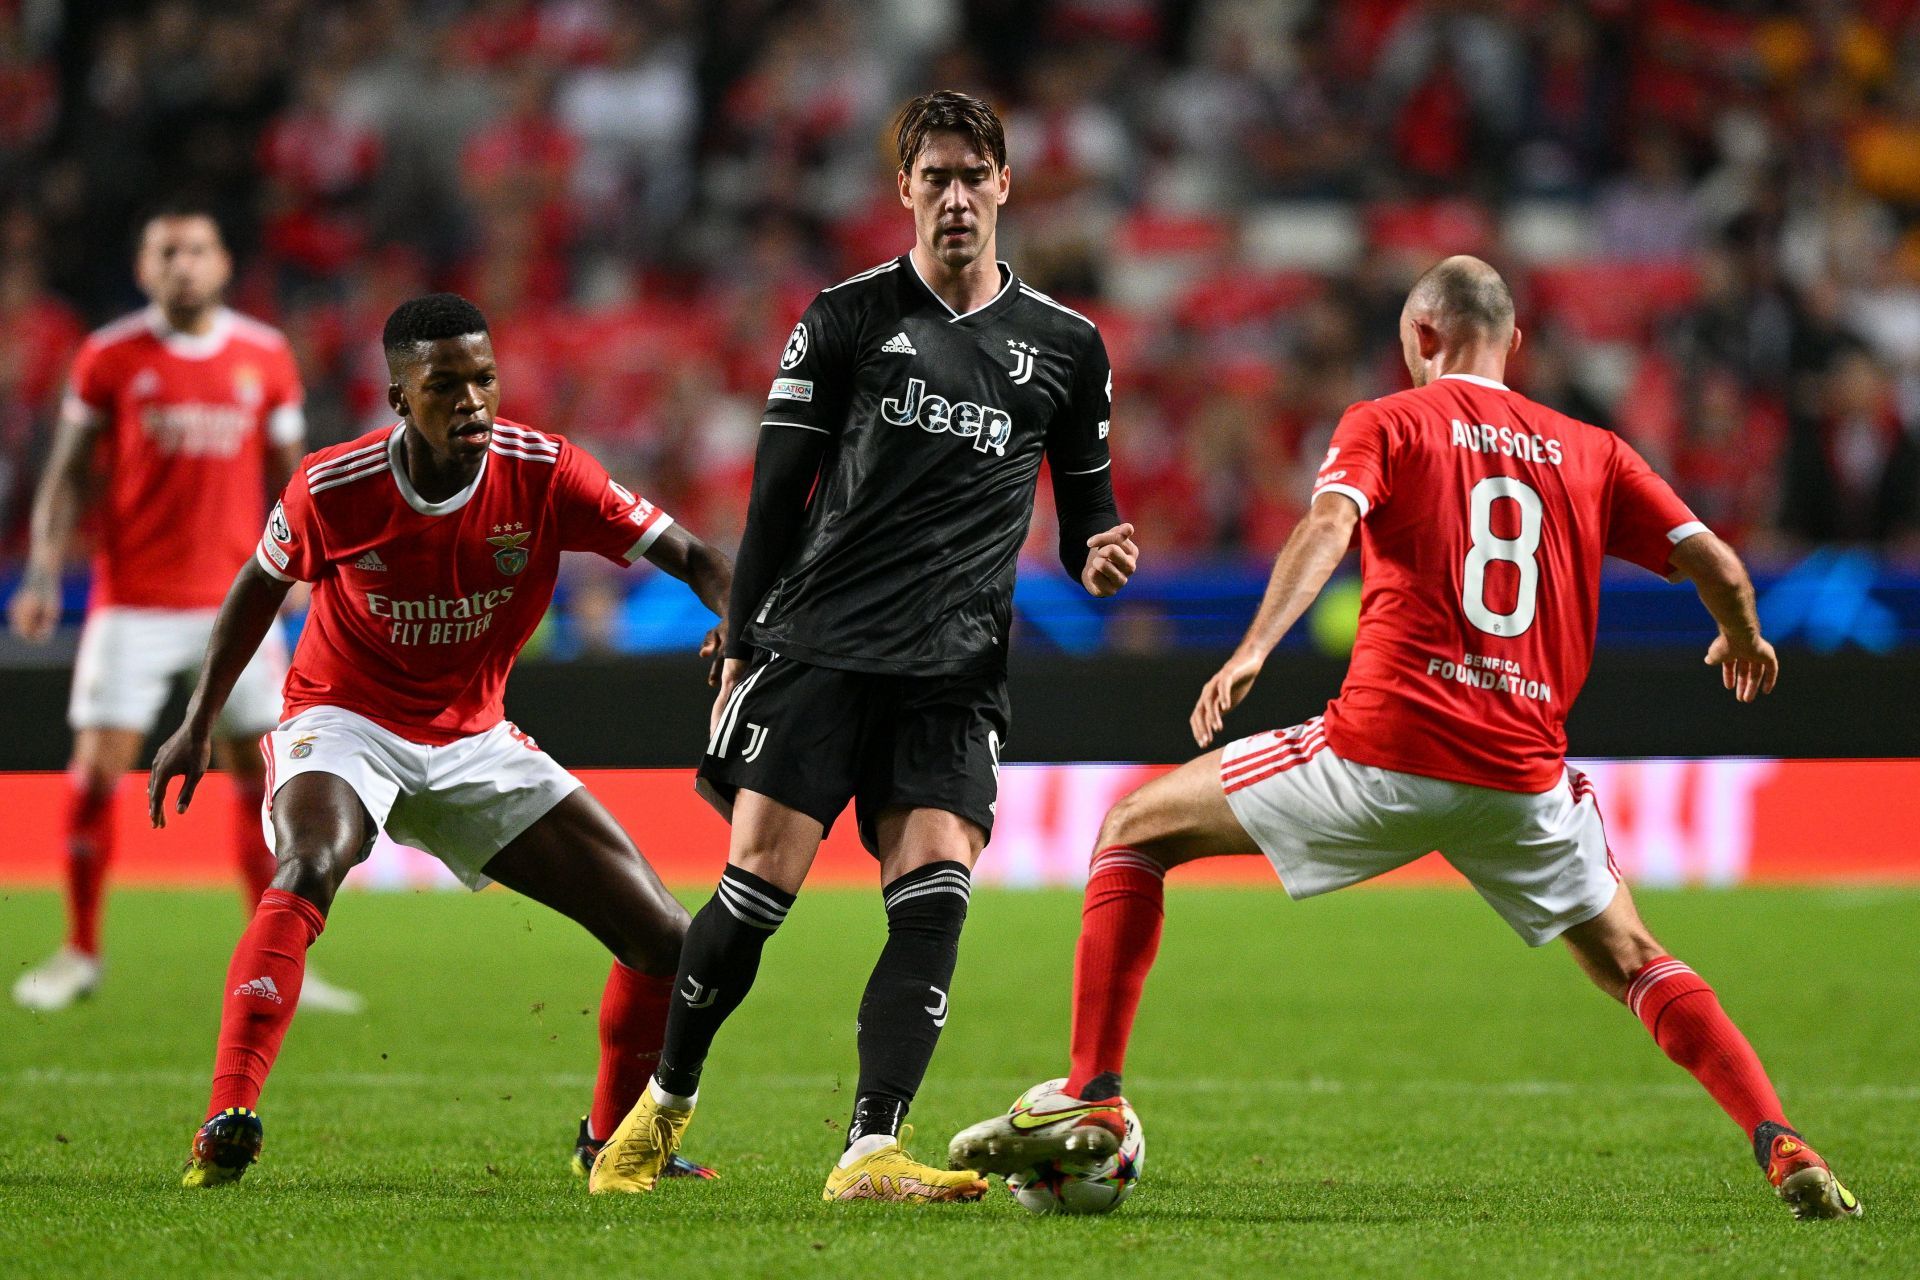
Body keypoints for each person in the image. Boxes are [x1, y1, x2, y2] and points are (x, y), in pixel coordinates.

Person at [948, 256, 1861, 1223]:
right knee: (1633, 957)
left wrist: (1255, 645)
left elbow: (1327, 525)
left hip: (1381, 750)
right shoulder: (1592, 449)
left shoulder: (1387, 420)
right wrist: (1743, 635)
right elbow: (1715, 560)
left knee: (1134, 827)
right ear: (1513, 344)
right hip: (1521, 775)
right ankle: (1781, 1140)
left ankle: (1092, 1090)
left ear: (1422, 338)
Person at [588, 90, 1139, 1202]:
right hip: (822, 647)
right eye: (931, 176)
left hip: (954, 669)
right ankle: (658, 1110)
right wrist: (740, 643)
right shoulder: (842, 319)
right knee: (757, 888)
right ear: (904, 190)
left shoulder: (1068, 348)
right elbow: (775, 494)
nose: (953, 196)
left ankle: (870, 1147)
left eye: (970, 175)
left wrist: (1102, 555)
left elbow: (1088, 521)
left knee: (935, 888)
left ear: (1004, 186)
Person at [150, 293, 730, 1188]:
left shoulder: (546, 471)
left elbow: (694, 555)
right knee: (314, 858)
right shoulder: (332, 488)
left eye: (485, 379)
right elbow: (258, 589)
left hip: (474, 738)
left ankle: (608, 1140)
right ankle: (227, 1115)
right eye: (445, 385)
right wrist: (198, 720)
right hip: (343, 718)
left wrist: (738, 619)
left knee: (665, 937)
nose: (472, 402)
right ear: (398, 399)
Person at [7, 207, 360, 1014]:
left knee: (262, 779)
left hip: (237, 601)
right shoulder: (109, 356)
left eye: (198, 250)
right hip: (130, 601)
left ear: (224, 263)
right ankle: (80, 951)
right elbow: (65, 472)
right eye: (167, 252)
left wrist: (308, 563)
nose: (183, 265)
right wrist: (42, 570)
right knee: (97, 771)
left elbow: (292, 474)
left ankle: (274, 960)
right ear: (143, 269)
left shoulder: (265, 357)